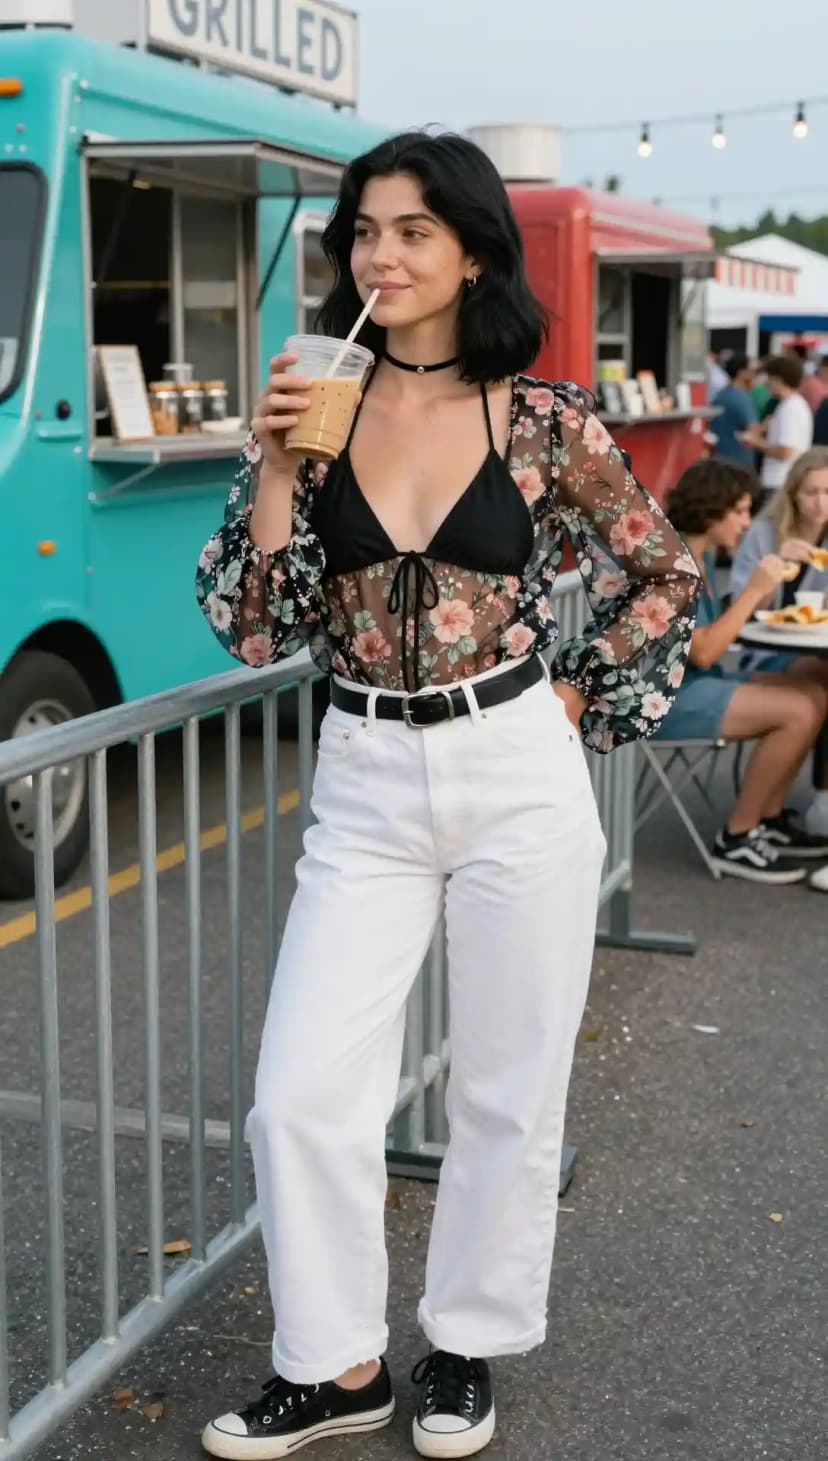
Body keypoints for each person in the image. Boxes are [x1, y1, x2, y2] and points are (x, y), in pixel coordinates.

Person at [194, 130, 700, 1461]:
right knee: (299, 1092)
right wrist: (285, 471)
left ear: (472, 249)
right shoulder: (321, 405)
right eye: (365, 230)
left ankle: (464, 1343)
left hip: (515, 768)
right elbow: (253, 630)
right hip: (363, 776)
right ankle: (336, 1359)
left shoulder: (544, 423)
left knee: (505, 1087)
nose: (383, 253)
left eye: (413, 230)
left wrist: (579, 698)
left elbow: (663, 576)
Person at [653, 459, 828, 882]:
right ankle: (737, 837)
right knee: (799, 710)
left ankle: (766, 821)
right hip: (661, 699)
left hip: (692, 683)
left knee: (816, 691)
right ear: (712, 511)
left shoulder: (699, 555)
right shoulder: (674, 564)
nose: (748, 523)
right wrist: (755, 590)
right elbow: (707, 651)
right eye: (741, 511)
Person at [730, 447, 828, 835]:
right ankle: (813, 801)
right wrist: (780, 567)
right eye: (811, 493)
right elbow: (739, 608)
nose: (821, 503)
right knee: (821, 679)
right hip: (765, 653)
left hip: (815, 649)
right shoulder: (764, 534)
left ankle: (812, 799)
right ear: (792, 495)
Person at [738, 355, 813, 509]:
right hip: (783, 481)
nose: (767, 384)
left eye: (770, 379)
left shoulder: (790, 409)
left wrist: (755, 442)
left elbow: (785, 451)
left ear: (779, 380)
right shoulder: (791, 406)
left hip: (778, 483)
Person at [711, 352, 757, 466]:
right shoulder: (742, 398)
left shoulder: (720, 395)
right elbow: (753, 431)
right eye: (751, 369)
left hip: (719, 459)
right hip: (740, 462)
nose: (754, 373)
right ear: (742, 372)